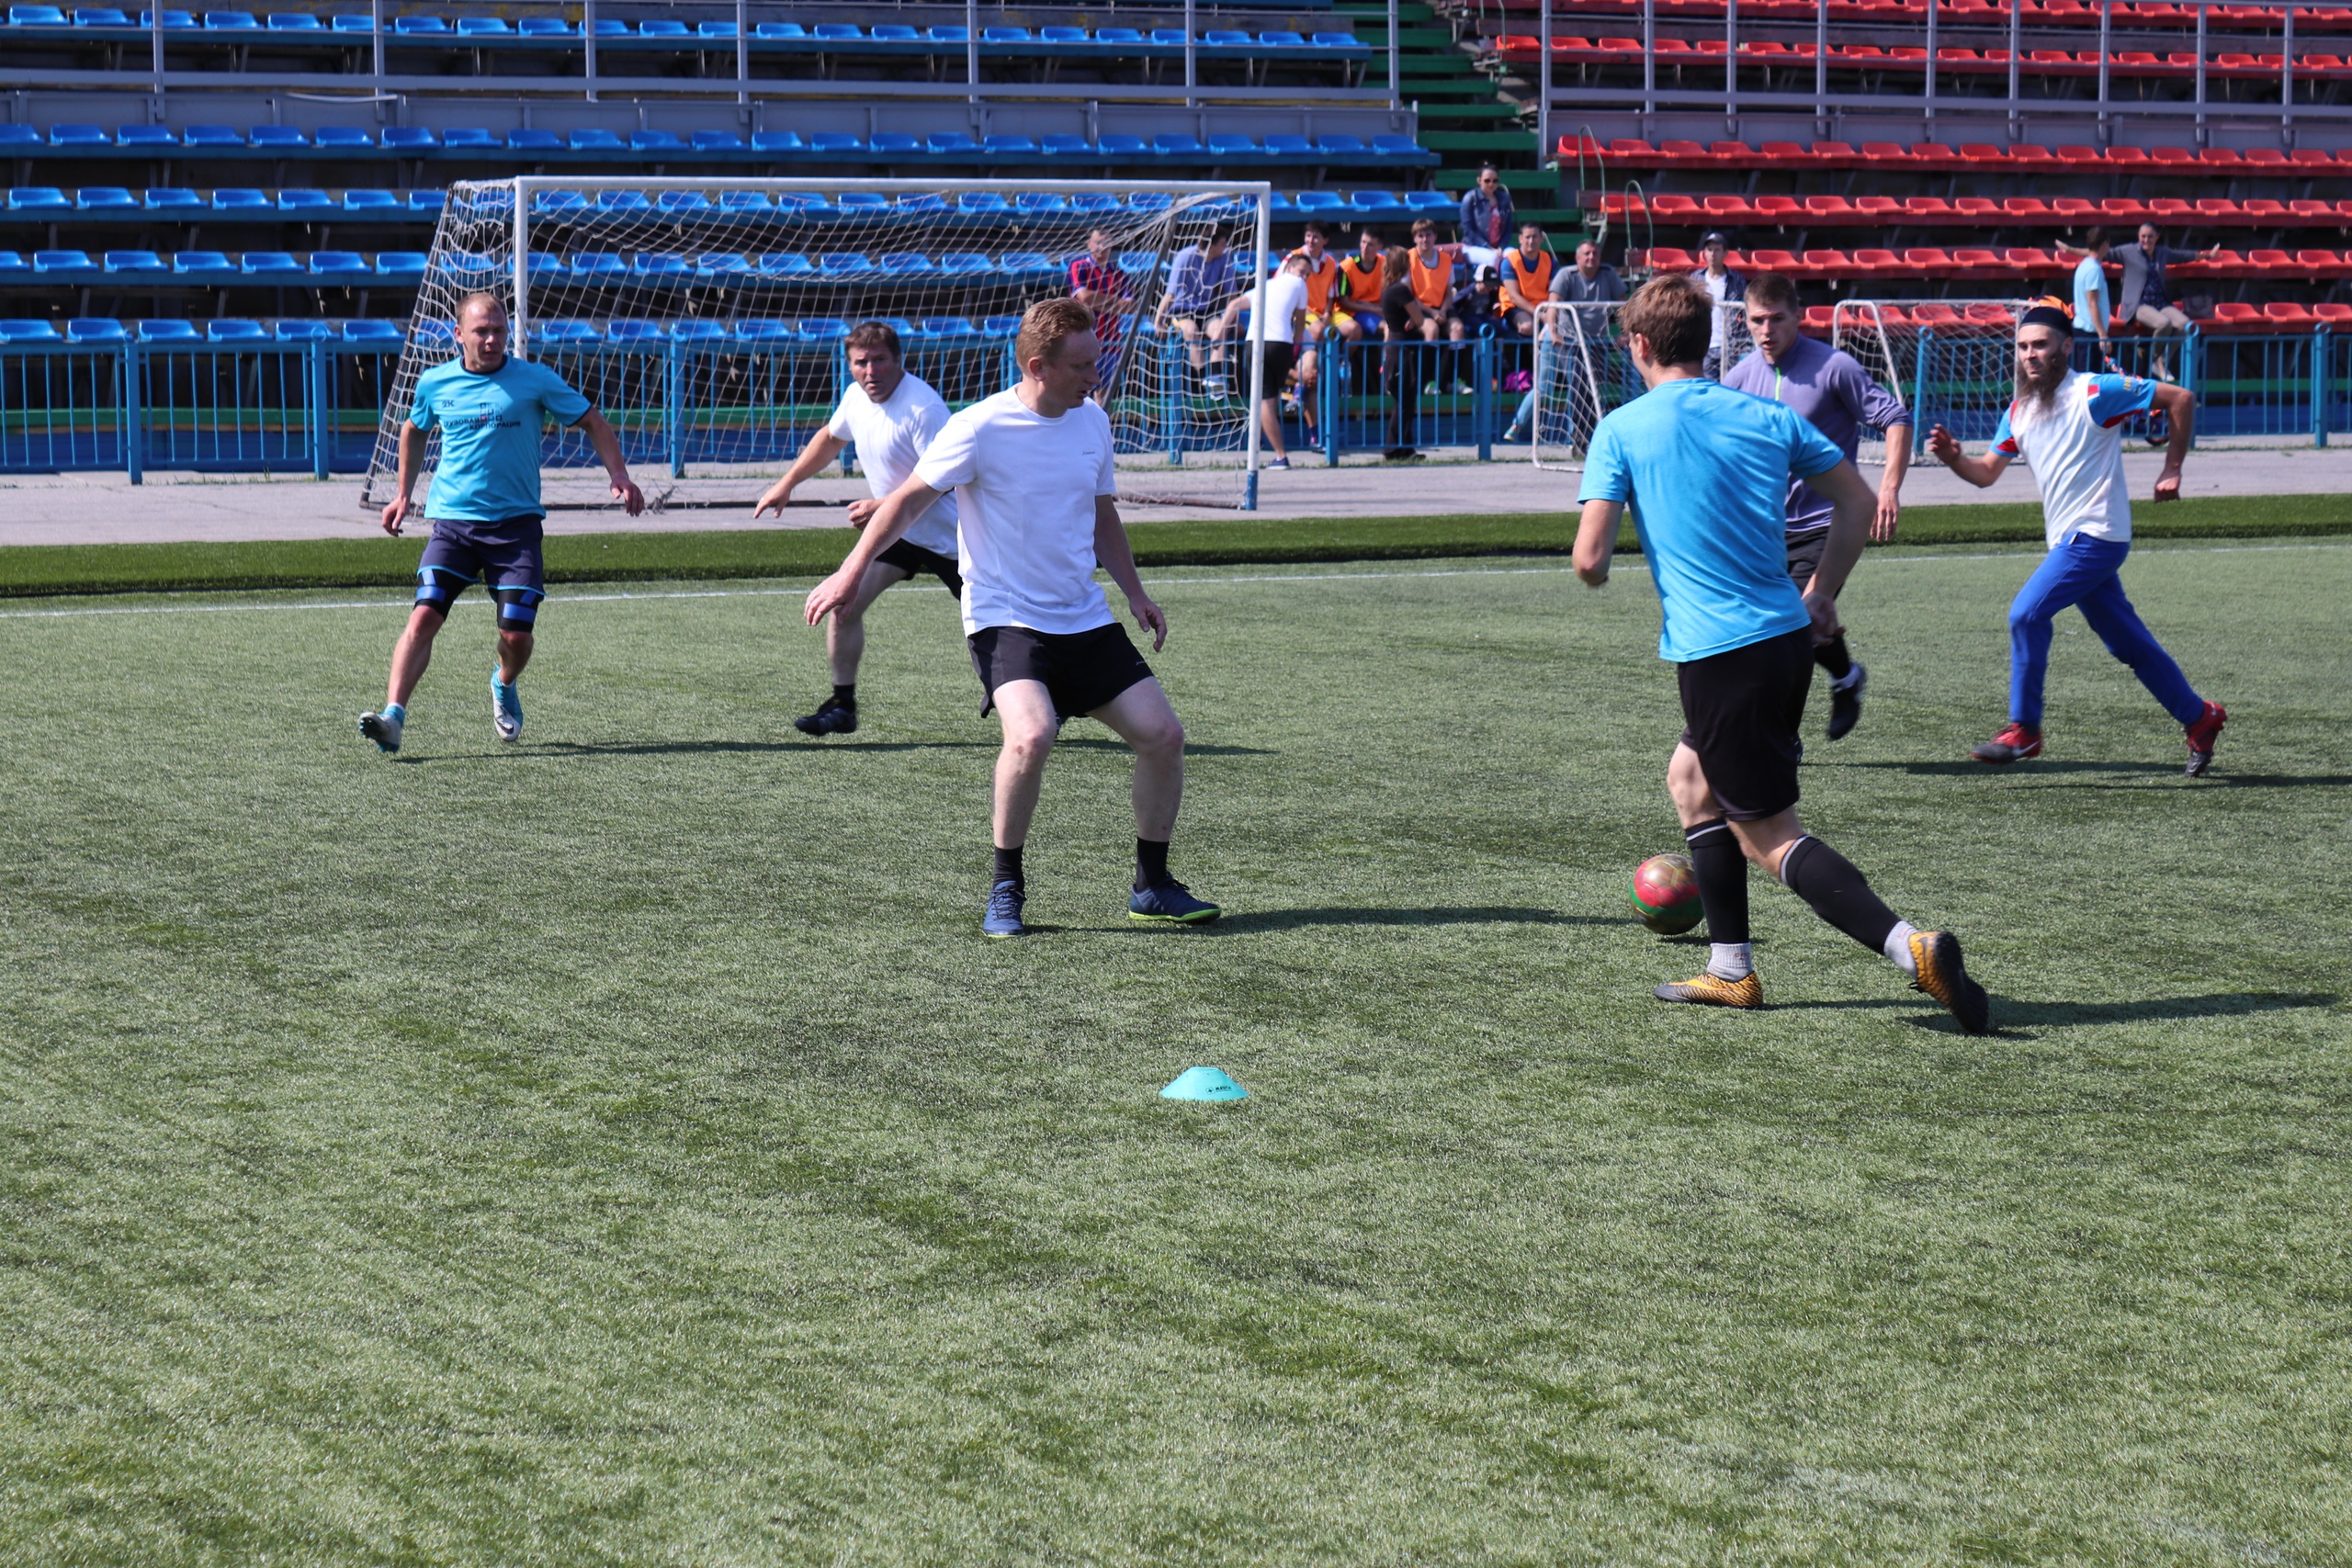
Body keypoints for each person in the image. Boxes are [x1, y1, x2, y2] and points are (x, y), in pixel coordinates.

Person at [1574, 276, 1989, 1032]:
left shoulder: (1623, 428)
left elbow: (1590, 558)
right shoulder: (1765, 414)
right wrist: (1822, 590)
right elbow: (1857, 501)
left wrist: (1603, 562)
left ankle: (1912, 948)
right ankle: (1730, 968)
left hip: (1719, 653)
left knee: (1769, 835)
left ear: (1638, 345)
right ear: (1708, 342)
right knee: (1690, 779)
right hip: (1786, 639)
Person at [803, 299, 1220, 937]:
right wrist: (850, 571)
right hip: (1006, 618)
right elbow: (907, 501)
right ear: (1037, 366)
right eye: (1081, 366)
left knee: (1164, 735)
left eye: (1096, 361)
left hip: (1083, 616)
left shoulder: (1093, 421)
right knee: (1031, 735)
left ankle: (1153, 884)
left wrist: (1136, 593)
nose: (1095, 376)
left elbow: (1102, 512)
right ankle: (1005, 888)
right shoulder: (978, 427)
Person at [1925, 299, 2227, 776]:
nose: (2030, 354)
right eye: (2023, 346)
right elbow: (1985, 474)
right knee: (2128, 645)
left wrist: (2172, 468)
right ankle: (2200, 717)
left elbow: (2181, 398)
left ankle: (2024, 729)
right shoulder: (2019, 411)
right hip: (2070, 542)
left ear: (2066, 346)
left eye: (2040, 345)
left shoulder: (2095, 391)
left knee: (2026, 613)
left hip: (2097, 535)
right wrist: (1953, 459)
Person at [359, 292, 644, 753]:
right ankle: (393, 717)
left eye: (498, 331)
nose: (491, 340)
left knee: (516, 636)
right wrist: (403, 494)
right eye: (481, 331)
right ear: (459, 335)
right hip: (454, 526)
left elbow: (593, 420)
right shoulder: (435, 383)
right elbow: (413, 429)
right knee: (424, 615)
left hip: (516, 529)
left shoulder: (534, 379)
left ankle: (504, 681)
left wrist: (619, 475)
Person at [1720, 272, 1914, 741]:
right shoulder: (1740, 378)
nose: (1767, 330)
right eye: (1757, 320)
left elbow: (1895, 418)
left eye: (1776, 319)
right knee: (1788, 624)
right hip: (1765, 531)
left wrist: (1889, 488)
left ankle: (1782, 741)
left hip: (1827, 524)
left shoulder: (1835, 367)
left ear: (1799, 316)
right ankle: (1846, 677)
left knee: (1788, 630)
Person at [752, 321, 962, 738]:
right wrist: (786, 483)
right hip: (898, 530)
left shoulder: (923, 409)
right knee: (843, 602)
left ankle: (1050, 697)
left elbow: (946, 482)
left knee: (997, 624)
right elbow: (831, 439)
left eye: (879, 360)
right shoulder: (854, 398)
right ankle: (842, 706)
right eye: (861, 362)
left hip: (953, 537)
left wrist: (880, 505)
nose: (871, 370)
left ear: (898, 359)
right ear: (849, 365)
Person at [1500, 240, 1623, 446]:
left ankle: (1575, 438)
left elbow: (1623, 305)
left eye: (1595, 253)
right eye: (1587, 254)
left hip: (1591, 341)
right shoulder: (1567, 274)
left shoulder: (1608, 274)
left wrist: (1624, 332)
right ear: (1577, 258)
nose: (1591, 257)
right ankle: (1517, 425)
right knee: (1544, 387)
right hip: (1561, 338)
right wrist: (1554, 332)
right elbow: (1553, 305)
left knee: (1581, 388)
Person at [2069, 223, 2219, 383]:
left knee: (2186, 325)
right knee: (2164, 323)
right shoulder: (2128, 251)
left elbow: (2183, 256)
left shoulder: (2162, 252)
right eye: (2143, 236)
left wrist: (2208, 255)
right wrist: (2071, 250)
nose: (2146, 240)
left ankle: (2161, 360)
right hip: (2138, 304)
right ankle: (2155, 360)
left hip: (2160, 303)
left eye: (2150, 236)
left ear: (2157, 237)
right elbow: (2097, 251)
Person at [1215, 250, 1311, 469]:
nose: (1304, 277)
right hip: (1281, 344)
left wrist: (1220, 335)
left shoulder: (1265, 285)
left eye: (1308, 274)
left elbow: (1233, 305)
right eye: (1302, 271)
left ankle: (1274, 454)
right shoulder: (1298, 285)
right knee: (1269, 400)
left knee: (1265, 399)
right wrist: (1295, 347)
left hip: (1258, 344)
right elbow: (1300, 322)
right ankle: (1264, 448)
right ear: (1289, 268)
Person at [1156, 226, 1237, 398]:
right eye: (1223, 244)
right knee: (1191, 331)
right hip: (1182, 310)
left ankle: (1215, 377)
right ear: (1211, 245)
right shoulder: (1185, 257)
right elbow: (1170, 294)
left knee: (1219, 328)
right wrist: (1158, 321)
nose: (1226, 248)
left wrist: (1233, 321)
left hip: (1206, 309)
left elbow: (1232, 294)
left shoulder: (1224, 258)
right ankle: (1202, 381)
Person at [1285, 221, 1340, 437]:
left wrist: (1326, 314)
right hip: (1294, 319)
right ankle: (1301, 385)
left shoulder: (1331, 262)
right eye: (1308, 236)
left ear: (1325, 240)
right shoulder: (1292, 258)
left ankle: (1314, 434)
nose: (1310, 240)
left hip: (1315, 318)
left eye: (1315, 237)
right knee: (1311, 371)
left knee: (1311, 373)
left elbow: (1331, 296)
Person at [1404, 218, 1470, 394]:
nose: (1425, 239)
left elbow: (1449, 292)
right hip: (1418, 308)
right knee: (1431, 329)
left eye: (1428, 235)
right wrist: (1432, 313)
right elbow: (1408, 296)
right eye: (1420, 236)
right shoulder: (1408, 258)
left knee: (1458, 329)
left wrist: (1443, 310)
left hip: (1441, 307)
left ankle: (1453, 380)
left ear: (1435, 236)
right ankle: (1427, 382)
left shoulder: (1445, 259)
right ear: (1414, 238)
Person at [1068, 228, 1134, 395]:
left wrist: (1097, 302)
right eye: (1098, 243)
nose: (1102, 247)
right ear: (1089, 244)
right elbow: (1084, 297)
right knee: (1081, 392)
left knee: (1104, 394)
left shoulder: (1119, 274)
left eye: (1106, 243)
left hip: (1111, 343)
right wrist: (1115, 300)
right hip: (1083, 341)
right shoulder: (1079, 267)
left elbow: (1131, 306)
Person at [1376, 245, 1426, 462]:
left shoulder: (1387, 289)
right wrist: (1414, 321)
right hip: (1403, 348)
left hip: (1395, 346)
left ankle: (1406, 448)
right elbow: (1420, 319)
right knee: (1405, 400)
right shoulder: (1401, 290)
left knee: (1404, 400)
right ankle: (1392, 448)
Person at [1686, 231, 1747, 379]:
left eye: (1717, 249)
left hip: (1730, 346)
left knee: (1730, 384)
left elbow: (1745, 311)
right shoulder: (1695, 279)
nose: (1713, 254)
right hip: (1705, 345)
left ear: (1726, 253)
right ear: (1704, 253)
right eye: (1710, 249)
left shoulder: (1737, 279)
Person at [2066, 227, 2114, 369]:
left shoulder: (2084, 265)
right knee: (2089, 379)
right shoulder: (2094, 269)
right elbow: (2092, 304)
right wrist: (2103, 335)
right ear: (2105, 244)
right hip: (2089, 335)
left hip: (2084, 332)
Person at [1498, 222, 1555, 338]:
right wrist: (1539, 314)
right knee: (1527, 327)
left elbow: (1554, 291)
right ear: (1520, 239)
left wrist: (1550, 310)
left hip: (1543, 305)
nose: (1531, 241)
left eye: (1535, 237)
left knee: (1562, 323)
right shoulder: (1509, 262)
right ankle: (1525, 350)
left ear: (1541, 239)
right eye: (1527, 237)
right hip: (1515, 307)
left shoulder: (1549, 260)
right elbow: (1514, 297)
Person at [1331, 226, 1387, 344]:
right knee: (1388, 328)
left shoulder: (1385, 264)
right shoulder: (1347, 267)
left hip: (1375, 309)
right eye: (1363, 242)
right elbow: (1344, 302)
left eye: (1370, 244)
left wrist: (1376, 308)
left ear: (1380, 246)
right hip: (1351, 312)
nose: (1365, 247)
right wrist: (1372, 309)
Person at [1458, 163, 1514, 257]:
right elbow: (1468, 230)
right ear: (1479, 180)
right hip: (1473, 246)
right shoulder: (1470, 198)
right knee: (1492, 258)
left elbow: (1508, 229)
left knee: (1514, 256)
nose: (1491, 184)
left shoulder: (1504, 198)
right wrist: (1488, 248)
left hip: (1499, 247)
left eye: (1495, 181)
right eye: (1487, 181)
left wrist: (1501, 248)